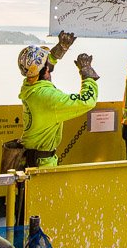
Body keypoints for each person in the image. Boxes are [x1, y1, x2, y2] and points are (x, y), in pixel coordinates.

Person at [16, 32, 97, 168]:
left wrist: (60, 49)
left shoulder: (30, 87)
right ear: (45, 69)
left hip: (32, 159)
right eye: (47, 64)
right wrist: (87, 73)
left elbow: (45, 66)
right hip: (41, 166)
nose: (50, 66)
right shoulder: (47, 97)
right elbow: (87, 101)